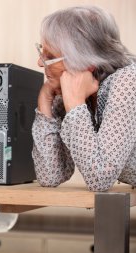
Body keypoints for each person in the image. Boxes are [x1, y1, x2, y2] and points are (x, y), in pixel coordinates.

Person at [32, 5, 136, 192]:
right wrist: (45, 99)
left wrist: (75, 104)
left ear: (86, 61)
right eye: (41, 51)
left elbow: (100, 179)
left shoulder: (128, 80)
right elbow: (50, 175)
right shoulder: (69, 86)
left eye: (50, 56)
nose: (40, 62)